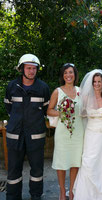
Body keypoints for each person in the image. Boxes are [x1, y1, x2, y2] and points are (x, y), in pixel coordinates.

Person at [4, 54, 50, 200]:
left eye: (34, 68)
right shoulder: (12, 86)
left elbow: (45, 110)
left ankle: (36, 196)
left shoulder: (43, 88)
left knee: (37, 170)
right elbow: (8, 107)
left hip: (35, 136)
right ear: (21, 69)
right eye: (28, 68)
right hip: (15, 136)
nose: (32, 71)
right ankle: (12, 196)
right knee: (13, 171)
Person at [73, 69, 102, 200]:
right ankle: (87, 194)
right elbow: (81, 114)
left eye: (99, 81)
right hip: (91, 134)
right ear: (91, 83)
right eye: (95, 82)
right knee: (89, 161)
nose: (97, 84)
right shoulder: (86, 97)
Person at [47, 63, 84, 200]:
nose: (68, 75)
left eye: (71, 72)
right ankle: (62, 192)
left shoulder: (81, 91)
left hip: (78, 132)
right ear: (63, 76)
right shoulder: (58, 91)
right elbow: (49, 110)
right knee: (61, 163)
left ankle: (72, 191)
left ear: (75, 74)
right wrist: (61, 113)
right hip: (63, 133)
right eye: (65, 73)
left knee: (75, 162)